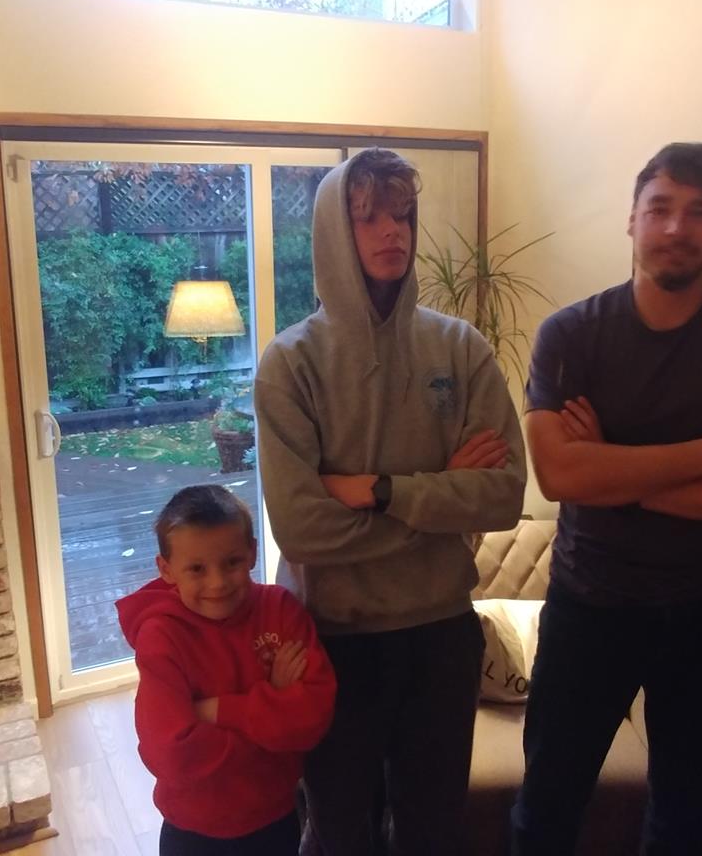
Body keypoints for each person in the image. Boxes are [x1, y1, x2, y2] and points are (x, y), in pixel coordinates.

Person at [510, 142, 702, 855]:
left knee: (687, 820)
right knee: (546, 807)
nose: (677, 227)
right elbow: (561, 477)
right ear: (632, 219)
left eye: (699, 212)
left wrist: (617, 477)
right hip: (589, 607)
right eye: (660, 208)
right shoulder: (571, 335)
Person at [254, 148, 528, 856]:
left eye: (402, 215)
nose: (391, 232)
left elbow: (502, 495)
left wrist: (382, 491)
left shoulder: (460, 349)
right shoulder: (291, 364)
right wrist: (440, 499)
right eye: (368, 216)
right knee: (339, 834)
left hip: (440, 638)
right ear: (333, 231)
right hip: (333, 640)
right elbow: (302, 528)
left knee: (434, 834)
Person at [117, 485, 337, 855]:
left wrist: (216, 710)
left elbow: (312, 718)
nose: (217, 583)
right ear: (166, 570)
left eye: (232, 562)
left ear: (252, 552)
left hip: (276, 818)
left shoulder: (280, 609)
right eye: (197, 569)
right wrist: (274, 708)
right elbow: (171, 755)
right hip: (193, 830)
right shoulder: (162, 636)